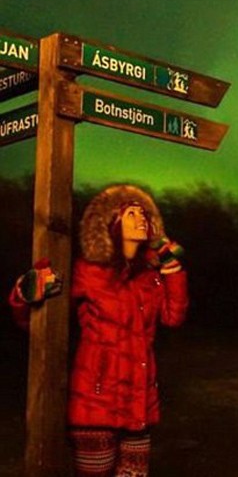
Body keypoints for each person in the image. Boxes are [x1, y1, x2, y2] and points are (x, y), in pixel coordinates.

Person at [8, 184, 188, 477]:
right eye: (131, 213)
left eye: (143, 213)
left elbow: (173, 317)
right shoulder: (87, 271)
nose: (141, 218)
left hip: (139, 403)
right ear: (112, 222)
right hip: (95, 403)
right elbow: (40, 319)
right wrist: (24, 293)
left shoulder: (149, 277)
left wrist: (174, 273)